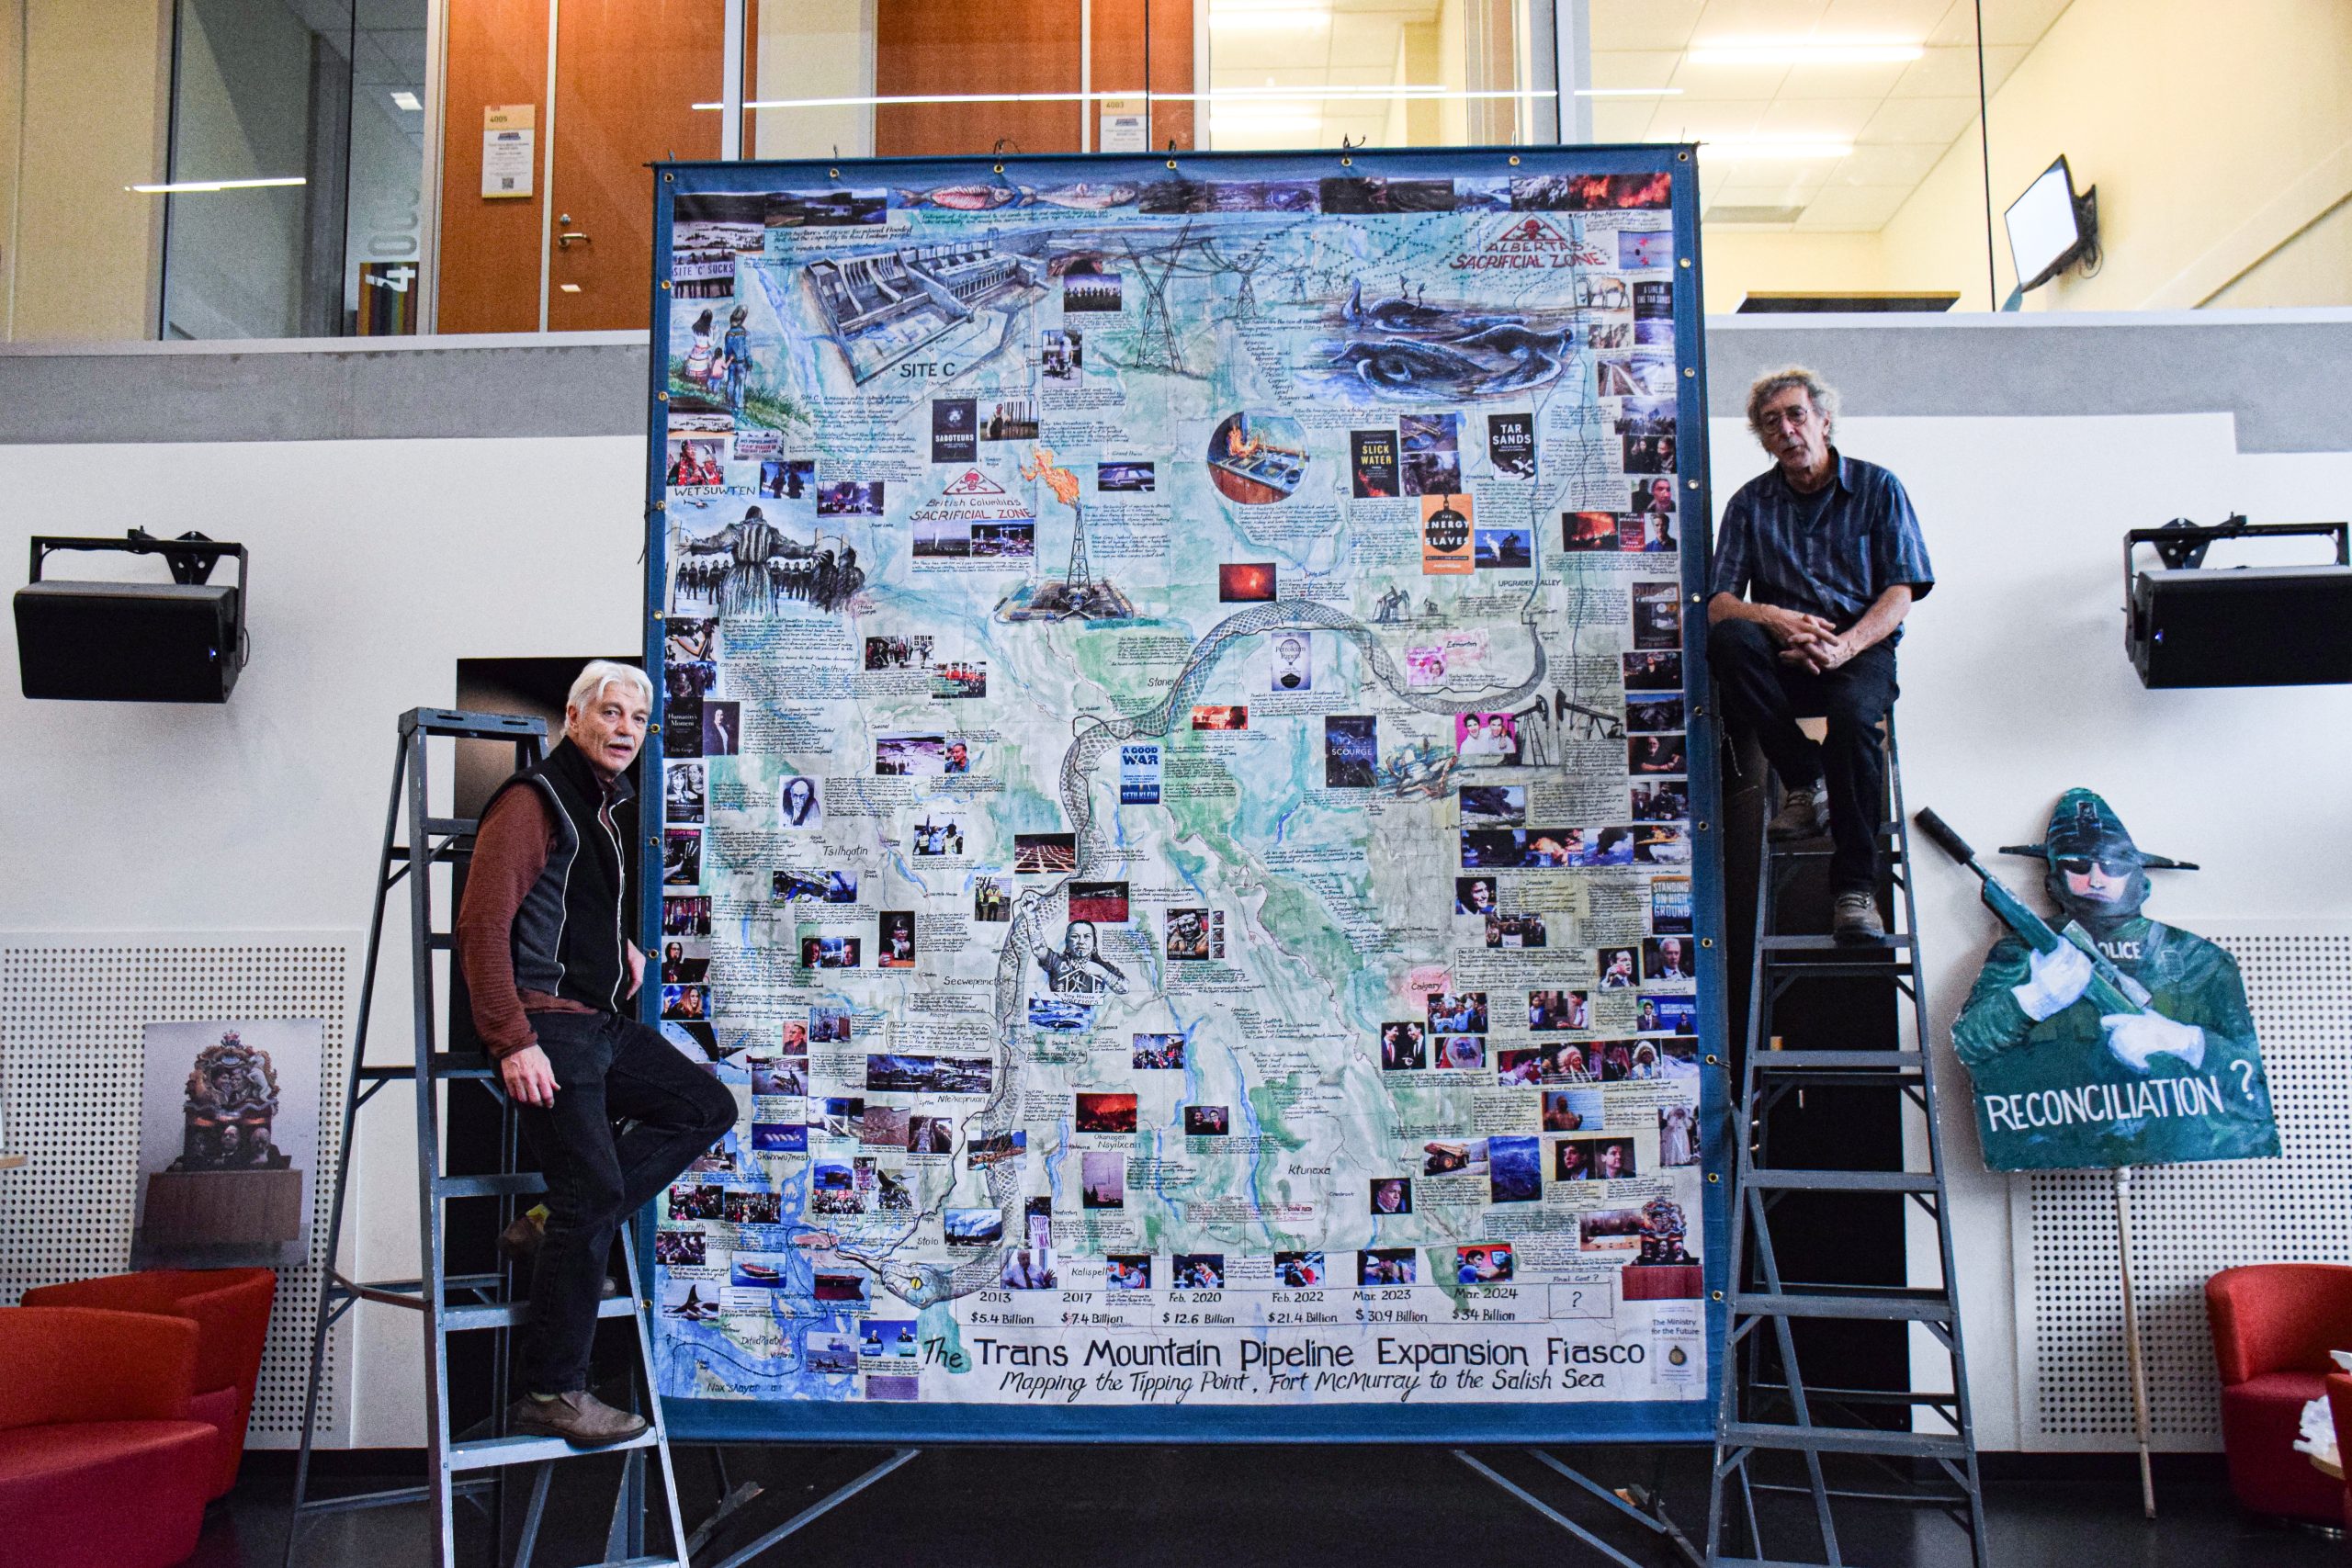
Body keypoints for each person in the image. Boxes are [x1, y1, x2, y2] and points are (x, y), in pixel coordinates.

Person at [454, 660, 739, 1447]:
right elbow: (483, 928)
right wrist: (511, 1039)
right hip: (547, 1027)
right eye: (609, 713)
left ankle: (545, 1218)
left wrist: (618, 950)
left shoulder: (601, 808)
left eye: (637, 720)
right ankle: (553, 1389)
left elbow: (558, 898)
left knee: (706, 1105)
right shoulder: (530, 800)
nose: (624, 729)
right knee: (594, 1196)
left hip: (597, 1021)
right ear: (573, 718)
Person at [1706, 367, 1934, 942]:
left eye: (1796, 415)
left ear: (1825, 421)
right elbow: (1720, 602)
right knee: (1729, 640)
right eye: (1770, 423)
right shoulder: (1749, 504)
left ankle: (1855, 890)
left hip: (1859, 651)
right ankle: (1805, 779)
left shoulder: (1879, 488)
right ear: (1763, 439)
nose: (1786, 429)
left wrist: (1846, 645)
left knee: (1857, 720)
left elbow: (1902, 590)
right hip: (1783, 659)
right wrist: (1778, 620)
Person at [1950, 790, 2278, 1168]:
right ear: (2052, 883)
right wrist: (2033, 1000)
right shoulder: (2021, 953)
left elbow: (2249, 1083)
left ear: (2143, 881)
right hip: (2054, 1144)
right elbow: (1967, 1043)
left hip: (2170, 1141)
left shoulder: (2201, 960)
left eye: (2114, 865)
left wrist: (2186, 1042)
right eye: (2078, 864)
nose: (2096, 878)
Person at [1030, 919, 1128, 995]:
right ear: (1067, 942)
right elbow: (1039, 949)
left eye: (1086, 936)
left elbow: (1125, 989)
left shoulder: (1102, 966)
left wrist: (1104, 973)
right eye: (1075, 936)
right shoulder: (1056, 961)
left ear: (1094, 943)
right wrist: (1031, 919)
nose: (1081, 941)